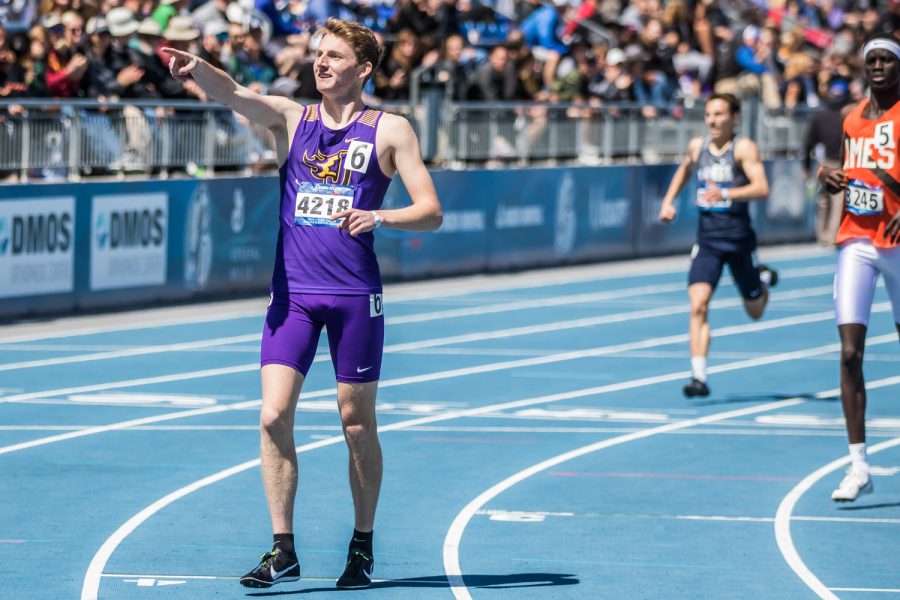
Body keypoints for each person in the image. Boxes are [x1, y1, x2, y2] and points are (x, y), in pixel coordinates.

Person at [163, 17, 443, 589]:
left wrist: (379, 215)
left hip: (353, 296)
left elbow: (431, 210)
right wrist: (196, 70)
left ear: (362, 69)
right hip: (292, 295)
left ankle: (362, 546)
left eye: (335, 56)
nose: (321, 63)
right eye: (318, 54)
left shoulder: (390, 130)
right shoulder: (292, 118)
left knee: (356, 423)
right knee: (271, 415)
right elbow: (236, 93)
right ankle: (282, 548)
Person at [817, 32, 900, 502]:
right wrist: (827, 178)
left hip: (899, 245)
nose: (880, 67)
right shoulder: (850, 121)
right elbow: (850, 175)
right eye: (874, 60)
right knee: (850, 353)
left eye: (889, 60)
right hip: (858, 241)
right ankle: (858, 465)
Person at [658, 93, 778, 398]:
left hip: (738, 241)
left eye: (719, 114)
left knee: (755, 311)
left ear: (734, 118)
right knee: (698, 305)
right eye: (709, 114)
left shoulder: (743, 149)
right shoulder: (698, 147)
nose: (712, 120)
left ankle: (762, 280)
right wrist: (668, 201)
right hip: (708, 241)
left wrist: (725, 194)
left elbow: (762, 187)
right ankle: (698, 377)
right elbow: (685, 169)